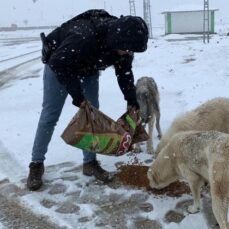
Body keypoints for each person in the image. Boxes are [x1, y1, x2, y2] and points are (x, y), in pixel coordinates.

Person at [27, 9, 149, 191]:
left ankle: (90, 163)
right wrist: (78, 96)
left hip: (88, 68)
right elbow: (59, 63)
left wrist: (131, 99)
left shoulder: (124, 42)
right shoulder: (84, 37)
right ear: (118, 41)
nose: (128, 53)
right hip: (59, 66)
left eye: (132, 51)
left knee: (93, 114)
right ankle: (36, 164)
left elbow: (124, 72)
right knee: (50, 116)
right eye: (127, 49)